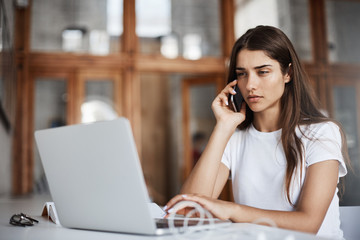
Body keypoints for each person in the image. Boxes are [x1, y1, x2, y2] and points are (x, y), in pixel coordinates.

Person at [164, 26, 349, 239]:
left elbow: (308, 224)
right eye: (242, 74)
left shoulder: (321, 133)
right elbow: (188, 211)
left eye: (262, 72)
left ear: (287, 73)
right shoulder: (234, 137)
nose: (250, 84)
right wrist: (223, 126)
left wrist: (232, 210)